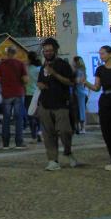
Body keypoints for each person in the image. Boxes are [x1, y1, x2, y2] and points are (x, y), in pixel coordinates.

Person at [36, 38, 76, 171]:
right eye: (45, 50)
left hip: (61, 104)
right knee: (48, 135)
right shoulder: (43, 67)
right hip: (45, 104)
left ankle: (68, 151)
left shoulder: (62, 65)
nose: (47, 53)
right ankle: (52, 160)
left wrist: (55, 74)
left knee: (65, 131)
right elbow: (40, 80)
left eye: (49, 50)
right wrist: (40, 85)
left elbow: (70, 82)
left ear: (55, 50)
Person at [0, 47, 29, 149]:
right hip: (18, 93)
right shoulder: (20, 64)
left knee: (6, 119)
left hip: (6, 94)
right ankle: (19, 143)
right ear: (15, 53)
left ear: (7, 53)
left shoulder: (2, 64)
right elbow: (26, 79)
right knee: (18, 118)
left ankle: (5, 144)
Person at [24, 51, 42, 142]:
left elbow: (24, 80)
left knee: (30, 115)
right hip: (38, 93)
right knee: (39, 114)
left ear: (29, 59)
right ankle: (40, 131)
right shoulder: (39, 68)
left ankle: (33, 136)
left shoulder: (27, 68)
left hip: (28, 94)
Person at [72, 57, 90, 134]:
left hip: (79, 92)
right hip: (82, 92)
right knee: (81, 110)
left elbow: (78, 81)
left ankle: (81, 128)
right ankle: (81, 128)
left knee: (79, 110)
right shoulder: (83, 71)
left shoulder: (78, 71)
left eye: (73, 61)